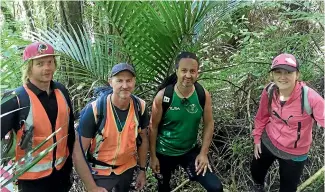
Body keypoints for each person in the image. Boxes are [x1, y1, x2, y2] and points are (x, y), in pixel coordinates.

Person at [0, 42, 75, 192]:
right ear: (29, 68)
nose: (47, 68)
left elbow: (70, 135)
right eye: (40, 63)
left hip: (61, 176)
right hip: (32, 183)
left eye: (50, 62)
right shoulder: (16, 99)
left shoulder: (61, 91)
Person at [149, 52, 223, 192]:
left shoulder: (202, 94)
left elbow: (209, 123)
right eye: (184, 70)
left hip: (189, 151)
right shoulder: (163, 96)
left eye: (192, 71)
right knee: (163, 187)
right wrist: (153, 157)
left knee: (215, 187)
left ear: (197, 73)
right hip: (165, 152)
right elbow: (153, 127)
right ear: (176, 71)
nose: (188, 75)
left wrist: (203, 153)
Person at [251, 53, 324, 192]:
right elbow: (261, 117)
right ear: (272, 75)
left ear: (297, 74)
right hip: (269, 140)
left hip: (295, 152)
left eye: (288, 72)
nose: (283, 77)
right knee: (256, 171)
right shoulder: (269, 91)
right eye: (278, 72)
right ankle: (259, 186)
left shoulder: (309, 98)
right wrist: (257, 138)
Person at [73, 63, 149, 192]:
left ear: (134, 82)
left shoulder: (140, 107)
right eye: (119, 80)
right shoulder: (96, 110)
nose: (125, 86)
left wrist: (142, 170)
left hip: (127, 169)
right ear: (110, 82)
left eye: (129, 81)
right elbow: (78, 152)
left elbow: (143, 139)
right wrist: (91, 187)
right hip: (100, 172)